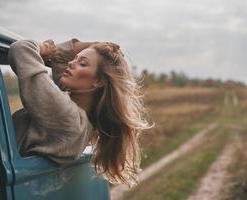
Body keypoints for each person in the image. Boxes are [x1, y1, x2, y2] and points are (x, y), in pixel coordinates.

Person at [8, 38, 152, 187]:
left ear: (98, 81)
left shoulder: (66, 115)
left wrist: (44, 48)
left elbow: (21, 49)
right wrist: (93, 46)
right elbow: (60, 59)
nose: (71, 63)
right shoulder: (79, 118)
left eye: (82, 63)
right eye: (75, 59)